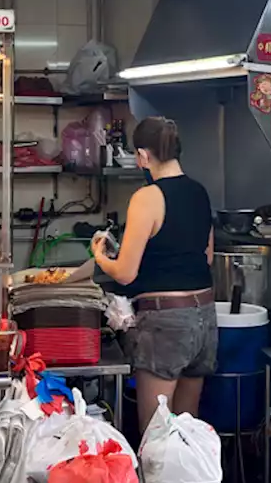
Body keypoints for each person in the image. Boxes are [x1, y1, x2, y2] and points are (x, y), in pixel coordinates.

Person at [91, 116, 216, 431]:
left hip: (167, 324)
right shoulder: (200, 193)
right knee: (188, 430)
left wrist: (99, 257)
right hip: (204, 316)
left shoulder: (147, 198)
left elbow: (125, 274)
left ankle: (155, 482)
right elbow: (207, 256)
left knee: (156, 432)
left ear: (144, 155)